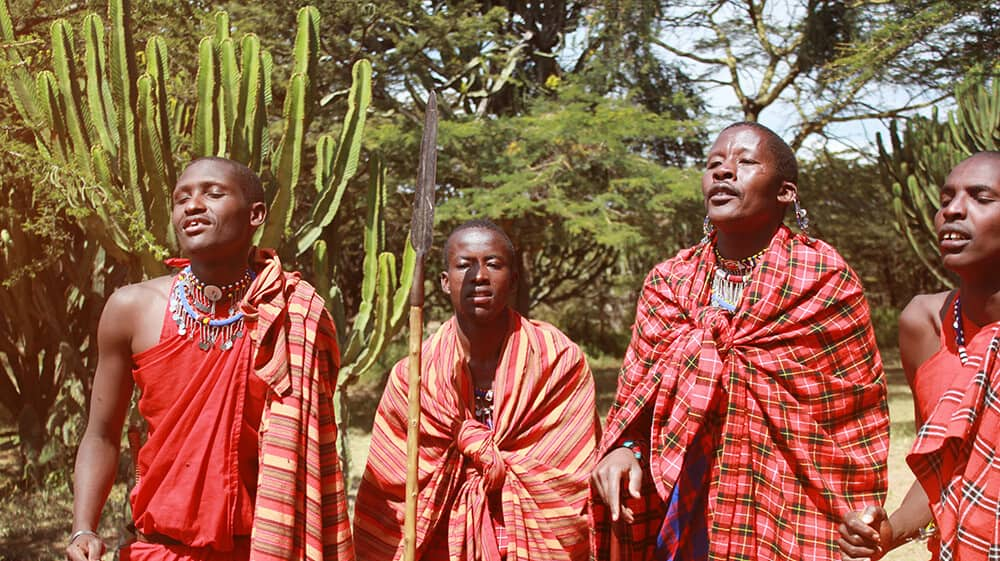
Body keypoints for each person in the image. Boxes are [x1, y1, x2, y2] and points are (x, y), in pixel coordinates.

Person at [590, 122, 890, 560]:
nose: (723, 172)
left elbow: (853, 414)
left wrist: (859, 509)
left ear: (786, 192)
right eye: (713, 164)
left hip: (787, 505)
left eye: (745, 162)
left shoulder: (824, 279)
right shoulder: (668, 284)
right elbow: (640, 400)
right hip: (683, 506)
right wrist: (625, 449)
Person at [65, 157, 354, 561]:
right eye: (182, 199)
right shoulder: (131, 308)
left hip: (267, 548)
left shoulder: (294, 313)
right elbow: (101, 433)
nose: (193, 205)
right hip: (161, 549)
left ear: (256, 214)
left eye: (213, 194)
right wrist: (84, 528)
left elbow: (313, 443)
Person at [353, 219, 599, 561]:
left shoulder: (557, 362)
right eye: (464, 265)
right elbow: (388, 491)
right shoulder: (415, 377)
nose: (479, 276)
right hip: (438, 540)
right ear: (444, 281)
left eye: (493, 264)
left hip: (529, 539)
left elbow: (570, 479)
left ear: (513, 279)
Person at [838, 151, 1000, 561]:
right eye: (946, 199)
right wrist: (888, 532)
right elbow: (947, 466)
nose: (953, 211)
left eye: (981, 197)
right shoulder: (923, 323)